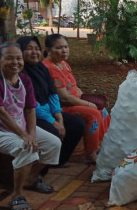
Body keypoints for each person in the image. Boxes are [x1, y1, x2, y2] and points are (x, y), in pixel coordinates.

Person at [0, 43, 62, 210]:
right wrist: (25, 136)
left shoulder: (25, 80)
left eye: (18, 58)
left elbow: (30, 109)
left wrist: (30, 133)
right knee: (27, 148)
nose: (15, 62)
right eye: (9, 58)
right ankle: (17, 195)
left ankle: (30, 179)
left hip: (18, 127)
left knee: (54, 143)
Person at [17, 36, 85, 173]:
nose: (34, 52)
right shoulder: (20, 73)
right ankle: (38, 173)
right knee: (53, 132)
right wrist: (53, 121)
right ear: (20, 52)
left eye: (36, 49)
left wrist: (58, 116)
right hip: (30, 115)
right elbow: (30, 104)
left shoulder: (41, 68)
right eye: (29, 49)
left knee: (77, 124)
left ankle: (57, 161)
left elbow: (52, 94)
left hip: (47, 112)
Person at [42, 34, 110, 164]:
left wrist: (85, 98)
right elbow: (64, 98)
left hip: (74, 102)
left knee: (104, 112)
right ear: (48, 50)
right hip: (61, 107)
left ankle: (99, 145)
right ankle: (90, 153)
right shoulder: (49, 68)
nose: (64, 50)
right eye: (59, 47)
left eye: (66, 47)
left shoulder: (64, 64)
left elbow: (74, 87)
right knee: (94, 114)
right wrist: (88, 104)